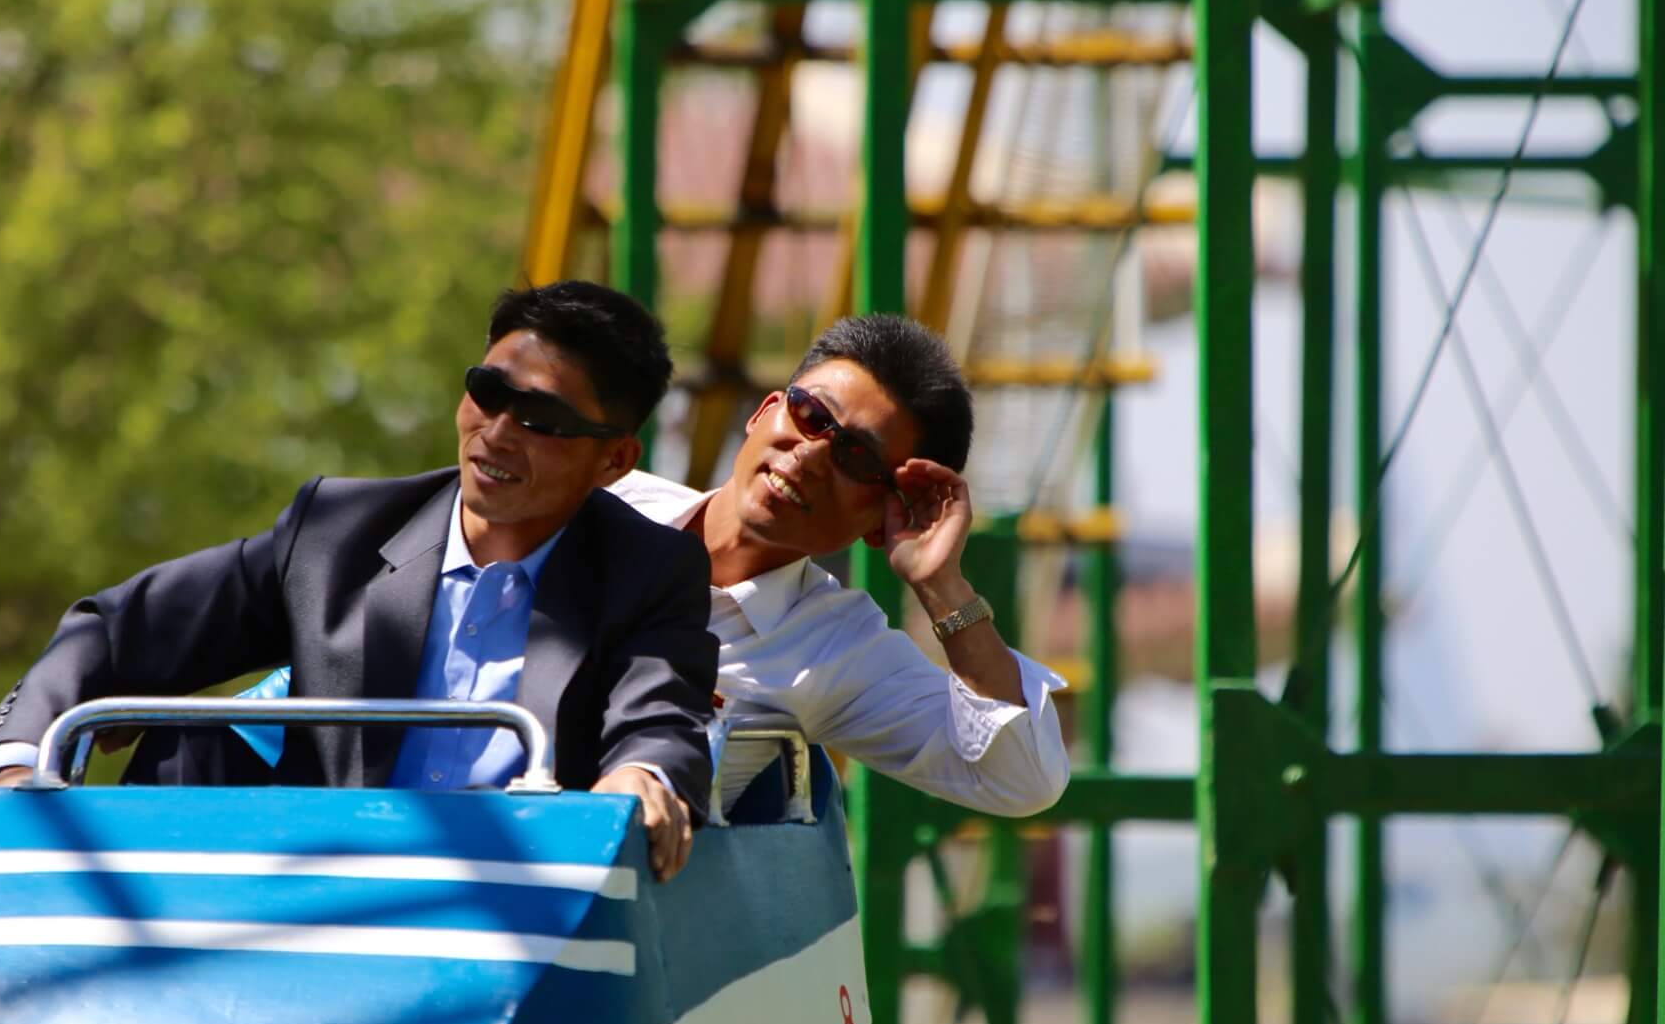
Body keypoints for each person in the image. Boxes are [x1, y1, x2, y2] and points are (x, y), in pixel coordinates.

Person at [179, 313, 1067, 820]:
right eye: (810, 416)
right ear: (766, 411)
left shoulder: (831, 645)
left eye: (858, 461)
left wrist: (941, 587)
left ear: (885, 509)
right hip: (384, 841)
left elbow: (1021, 781)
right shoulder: (597, 493)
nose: (809, 456)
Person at [0, 281, 719, 879]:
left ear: (615, 461)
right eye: (488, 393)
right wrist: (22, 764)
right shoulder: (336, 534)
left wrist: (642, 777)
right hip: (319, 907)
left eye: (542, 420)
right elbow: (116, 627)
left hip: (519, 919)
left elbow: (658, 720)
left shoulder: (650, 570)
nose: (496, 433)